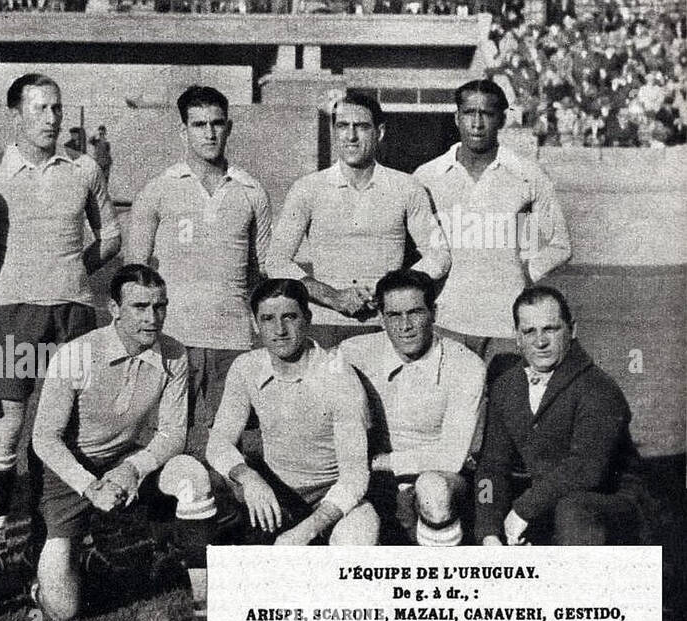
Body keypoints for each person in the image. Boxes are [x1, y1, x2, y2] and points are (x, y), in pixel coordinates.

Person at [0, 73, 121, 538]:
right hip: (14, 312)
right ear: (15, 115)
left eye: (56, 108)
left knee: (72, 419)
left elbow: (112, 237)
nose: (52, 118)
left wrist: (73, 266)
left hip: (75, 311)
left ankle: (63, 523)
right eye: (40, 109)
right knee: (9, 421)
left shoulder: (84, 168)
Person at [30, 265, 217, 621]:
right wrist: (90, 486)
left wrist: (131, 469)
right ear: (114, 308)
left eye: (160, 306)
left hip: (129, 461)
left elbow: (173, 434)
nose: (152, 318)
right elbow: (44, 438)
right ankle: (48, 569)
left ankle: (205, 608)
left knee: (193, 477)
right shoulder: (76, 354)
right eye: (140, 307)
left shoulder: (175, 354)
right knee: (62, 610)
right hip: (74, 467)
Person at [125, 85, 272, 457]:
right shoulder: (157, 190)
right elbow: (134, 274)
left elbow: (262, 272)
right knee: (166, 441)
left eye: (217, 124)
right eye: (199, 124)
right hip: (174, 339)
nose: (209, 133)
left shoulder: (252, 191)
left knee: (234, 446)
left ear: (230, 127)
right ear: (183, 130)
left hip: (233, 341)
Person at [267, 91, 450, 349]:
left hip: (386, 327)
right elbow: (276, 260)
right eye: (343, 126)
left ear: (380, 132)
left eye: (362, 127)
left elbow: (439, 256)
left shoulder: (407, 187)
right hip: (325, 326)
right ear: (333, 131)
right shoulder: (308, 188)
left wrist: (390, 288)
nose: (351, 136)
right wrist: (333, 296)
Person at [206, 278, 378, 547]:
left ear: (307, 319)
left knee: (359, 536)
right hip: (275, 492)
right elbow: (218, 442)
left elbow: (355, 478)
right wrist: (248, 478)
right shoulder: (247, 366)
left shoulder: (338, 374)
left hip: (330, 495)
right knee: (206, 480)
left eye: (289, 317)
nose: (280, 330)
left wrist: (305, 531)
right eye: (268, 319)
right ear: (254, 324)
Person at [414, 79, 572, 371]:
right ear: (456, 117)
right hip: (446, 318)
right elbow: (418, 249)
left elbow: (560, 244)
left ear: (501, 118)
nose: (476, 123)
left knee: (503, 408)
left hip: (505, 323)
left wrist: (527, 272)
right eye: (468, 113)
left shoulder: (527, 174)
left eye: (486, 114)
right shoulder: (427, 176)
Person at [475, 286, 644, 546]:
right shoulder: (506, 386)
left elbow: (586, 470)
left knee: (573, 509)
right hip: (546, 501)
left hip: (611, 505)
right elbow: (491, 468)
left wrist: (522, 511)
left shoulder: (599, 388)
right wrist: (489, 531)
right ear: (517, 337)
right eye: (529, 331)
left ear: (572, 330)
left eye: (550, 329)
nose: (540, 341)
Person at [338, 269, 486, 546]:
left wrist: (380, 462)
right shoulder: (353, 352)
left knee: (434, 490)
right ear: (381, 319)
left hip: (438, 475)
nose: (405, 325)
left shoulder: (466, 365)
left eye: (415, 312)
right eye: (394, 315)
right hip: (376, 479)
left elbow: (453, 456)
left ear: (434, 313)